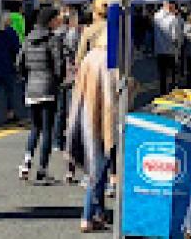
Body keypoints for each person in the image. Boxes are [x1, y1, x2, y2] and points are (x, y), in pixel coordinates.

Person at [67, 23, 117, 233]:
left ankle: (97, 213)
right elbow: (112, 96)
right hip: (101, 116)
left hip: (83, 114)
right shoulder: (109, 61)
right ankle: (87, 216)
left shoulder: (88, 57)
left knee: (96, 167)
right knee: (99, 168)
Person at [17, 6, 64, 184]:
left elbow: (19, 63)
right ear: (50, 20)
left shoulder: (28, 38)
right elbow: (59, 65)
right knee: (47, 130)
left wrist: (28, 77)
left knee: (35, 128)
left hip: (31, 87)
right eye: (56, 18)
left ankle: (26, 162)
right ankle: (42, 169)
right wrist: (57, 81)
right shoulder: (52, 39)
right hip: (48, 87)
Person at [54, 7, 82, 181]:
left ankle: (58, 142)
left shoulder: (56, 34)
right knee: (72, 114)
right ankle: (72, 158)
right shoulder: (74, 34)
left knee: (60, 111)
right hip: (72, 76)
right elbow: (75, 54)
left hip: (61, 77)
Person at [0, 14, 23, 126]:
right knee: (9, 91)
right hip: (6, 65)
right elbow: (17, 48)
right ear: (8, 22)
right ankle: (10, 114)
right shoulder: (11, 33)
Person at [153, 1, 183, 95]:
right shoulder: (173, 18)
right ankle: (172, 93)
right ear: (171, 5)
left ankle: (162, 93)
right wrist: (178, 48)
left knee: (162, 75)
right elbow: (175, 37)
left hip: (159, 50)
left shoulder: (156, 16)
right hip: (171, 51)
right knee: (173, 75)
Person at [75, 0, 108, 69]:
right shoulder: (115, 27)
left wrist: (77, 65)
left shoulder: (89, 30)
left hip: (94, 67)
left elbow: (81, 52)